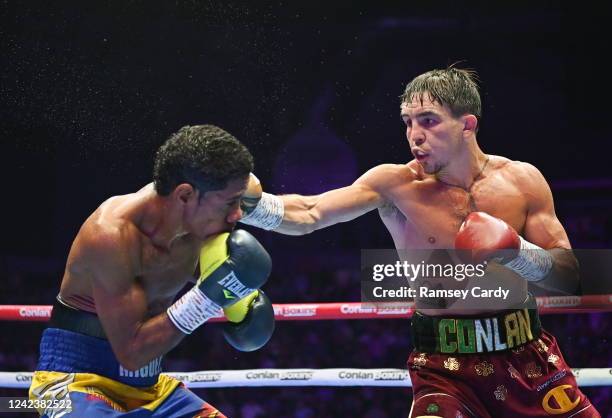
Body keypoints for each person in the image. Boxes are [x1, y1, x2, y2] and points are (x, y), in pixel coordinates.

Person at [240, 67, 601, 417]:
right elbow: (310, 212)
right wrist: (250, 206)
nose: (414, 134)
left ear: (467, 125)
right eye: (408, 122)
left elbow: (569, 276)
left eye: (428, 120)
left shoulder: (523, 181)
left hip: (527, 358)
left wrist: (517, 252)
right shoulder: (395, 186)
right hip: (443, 367)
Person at [28, 124, 275, 417]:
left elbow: (262, 194)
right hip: (71, 383)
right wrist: (208, 298)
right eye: (231, 203)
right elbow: (132, 354)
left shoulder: (197, 218)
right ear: (185, 196)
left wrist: (240, 300)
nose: (237, 215)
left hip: (152, 390)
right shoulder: (111, 235)